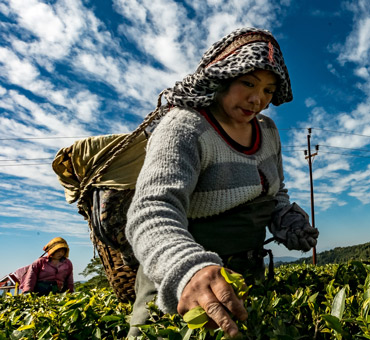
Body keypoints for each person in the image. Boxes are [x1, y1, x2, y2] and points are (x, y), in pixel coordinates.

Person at [125, 28, 319, 338]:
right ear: (222, 77)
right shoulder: (185, 126)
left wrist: (286, 218)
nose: (258, 99)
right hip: (182, 283)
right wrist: (188, 269)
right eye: (248, 83)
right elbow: (152, 210)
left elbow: (274, 190)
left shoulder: (268, 131)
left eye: (269, 90)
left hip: (245, 278)